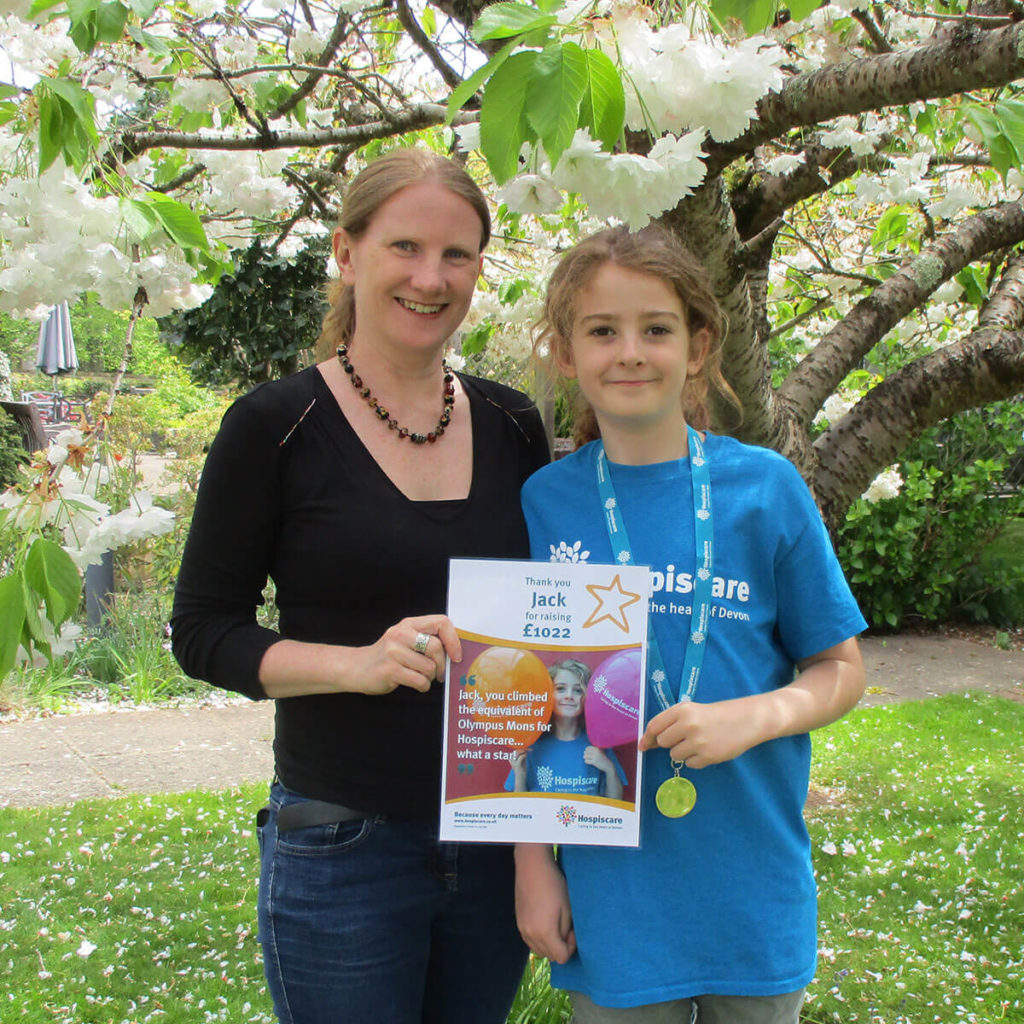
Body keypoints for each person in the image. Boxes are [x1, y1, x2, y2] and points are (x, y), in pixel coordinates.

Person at [171, 148, 549, 1024]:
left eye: (457, 255)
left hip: (495, 832)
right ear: (347, 253)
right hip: (343, 842)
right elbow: (202, 631)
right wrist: (358, 665)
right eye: (405, 247)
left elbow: (543, 617)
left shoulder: (513, 424)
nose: (431, 277)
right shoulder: (274, 426)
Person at [513, 225, 867, 1023]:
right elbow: (529, 699)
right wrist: (532, 867)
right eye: (602, 331)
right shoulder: (546, 500)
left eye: (656, 329)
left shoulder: (765, 488)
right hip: (618, 895)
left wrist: (753, 716)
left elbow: (841, 669)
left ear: (699, 345)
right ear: (566, 354)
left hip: (751, 887)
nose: (629, 351)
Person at [506, 659, 626, 798]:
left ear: (587, 697)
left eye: (577, 690)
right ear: (548, 693)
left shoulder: (598, 744)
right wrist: (519, 774)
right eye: (561, 688)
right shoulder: (532, 745)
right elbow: (520, 808)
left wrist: (609, 769)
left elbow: (616, 802)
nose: (569, 696)